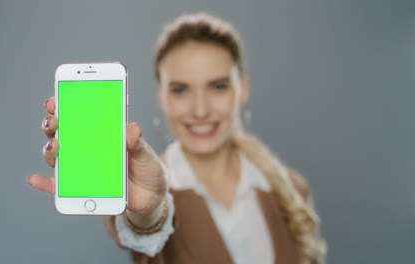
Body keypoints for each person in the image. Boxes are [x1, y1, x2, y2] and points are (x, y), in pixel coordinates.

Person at [27, 12, 326, 264]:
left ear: (243, 88)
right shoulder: (135, 183)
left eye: (218, 87)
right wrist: (148, 209)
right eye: (180, 90)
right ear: (162, 96)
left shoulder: (290, 188)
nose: (200, 110)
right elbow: (144, 227)